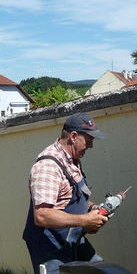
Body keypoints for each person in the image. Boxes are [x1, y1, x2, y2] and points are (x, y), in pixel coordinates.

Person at [23, 112, 108, 274]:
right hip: (50, 248)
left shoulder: (72, 160)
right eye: (89, 141)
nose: (91, 146)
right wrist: (84, 220)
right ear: (74, 136)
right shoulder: (48, 166)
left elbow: (72, 197)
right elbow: (42, 215)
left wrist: (93, 210)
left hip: (73, 240)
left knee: (102, 270)